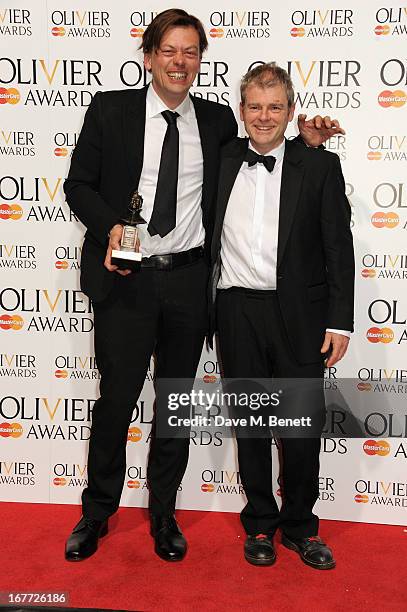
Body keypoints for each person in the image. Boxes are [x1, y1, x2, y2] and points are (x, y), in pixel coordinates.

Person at [63, 8, 345, 563]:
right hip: (127, 282)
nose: (179, 61)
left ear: (199, 62)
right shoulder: (110, 111)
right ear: (148, 56)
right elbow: (79, 186)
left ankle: (164, 515)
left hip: (191, 284)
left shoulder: (217, 124)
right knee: (115, 404)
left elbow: (271, 149)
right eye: (169, 50)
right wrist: (109, 227)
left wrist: (308, 143)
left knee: (174, 407)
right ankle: (96, 513)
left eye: (190, 52)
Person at [210, 63, 354, 569]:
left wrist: (339, 321)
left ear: (291, 112)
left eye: (275, 107)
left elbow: (339, 246)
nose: (264, 117)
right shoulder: (221, 158)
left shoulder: (317, 166)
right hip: (235, 310)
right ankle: (260, 526)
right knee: (249, 427)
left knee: (299, 429)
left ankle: (300, 526)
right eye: (255, 106)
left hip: (301, 315)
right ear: (241, 110)